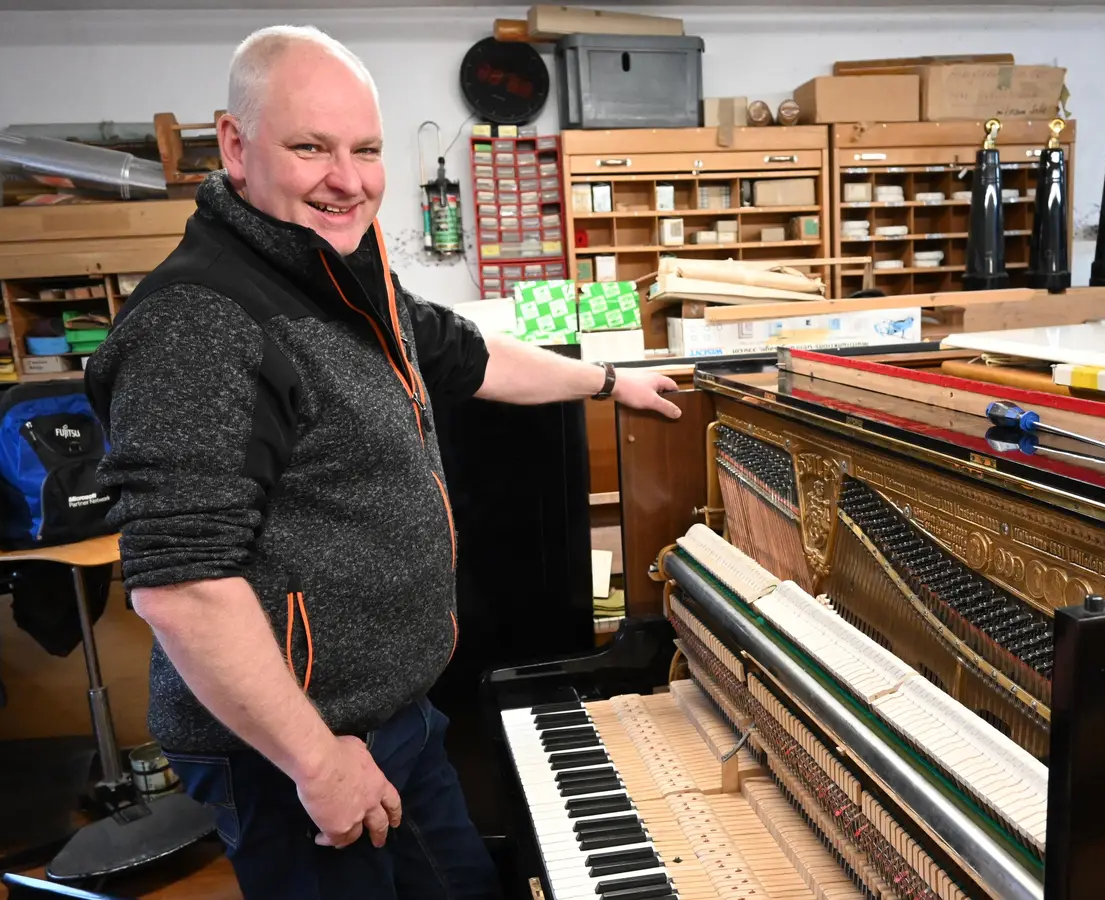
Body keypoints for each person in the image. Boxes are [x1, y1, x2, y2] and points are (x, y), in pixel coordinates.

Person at [85, 24, 680, 900]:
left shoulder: (339, 277)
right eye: (311, 148)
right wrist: (315, 760)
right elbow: (182, 585)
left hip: (396, 717)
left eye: (365, 149)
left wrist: (609, 381)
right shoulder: (201, 323)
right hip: (291, 752)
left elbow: (470, 355)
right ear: (235, 145)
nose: (350, 179)